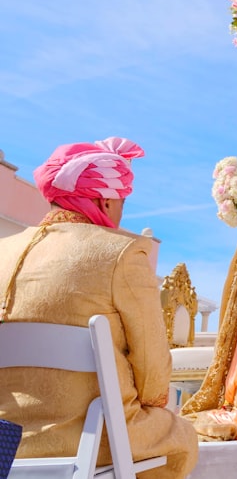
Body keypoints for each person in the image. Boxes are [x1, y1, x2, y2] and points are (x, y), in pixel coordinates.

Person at [0, 138, 197, 478]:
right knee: (182, 437)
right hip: (90, 438)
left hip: (5, 441)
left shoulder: (4, 251)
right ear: (106, 202)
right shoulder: (123, 252)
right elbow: (153, 375)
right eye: (121, 203)